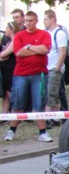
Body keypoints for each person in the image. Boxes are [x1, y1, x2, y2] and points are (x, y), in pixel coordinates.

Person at [4, 11, 53, 142]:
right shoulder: (19, 35)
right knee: (18, 103)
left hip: (39, 74)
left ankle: (42, 132)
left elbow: (45, 49)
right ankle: (11, 131)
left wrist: (30, 47)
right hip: (20, 74)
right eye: (26, 21)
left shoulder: (44, 34)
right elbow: (19, 52)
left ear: (36, 21)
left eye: (30, 20)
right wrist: (36, 50)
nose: (28, 23)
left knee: (39, 103)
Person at [43, 10, 67, 125]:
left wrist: (57, 68)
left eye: (46, 19)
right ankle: (56, 117)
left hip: (54, 68)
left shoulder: (59, 33)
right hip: (48, 67)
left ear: (52, 19)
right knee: (55, 94)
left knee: (50, 93)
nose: (44, 21)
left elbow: (62, 52)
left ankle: (47, 118)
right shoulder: (47, 33)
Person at [0, 22, 18, 115]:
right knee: (6, 93)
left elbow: (4, 54)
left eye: (7, 28)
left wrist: (2, 56)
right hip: (5, 69)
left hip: (11, 69)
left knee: (10, 92)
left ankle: (14, 112)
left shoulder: (14, 41)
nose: (5, 30)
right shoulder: (8, 41)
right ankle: (4, 114)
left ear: (12, 30)